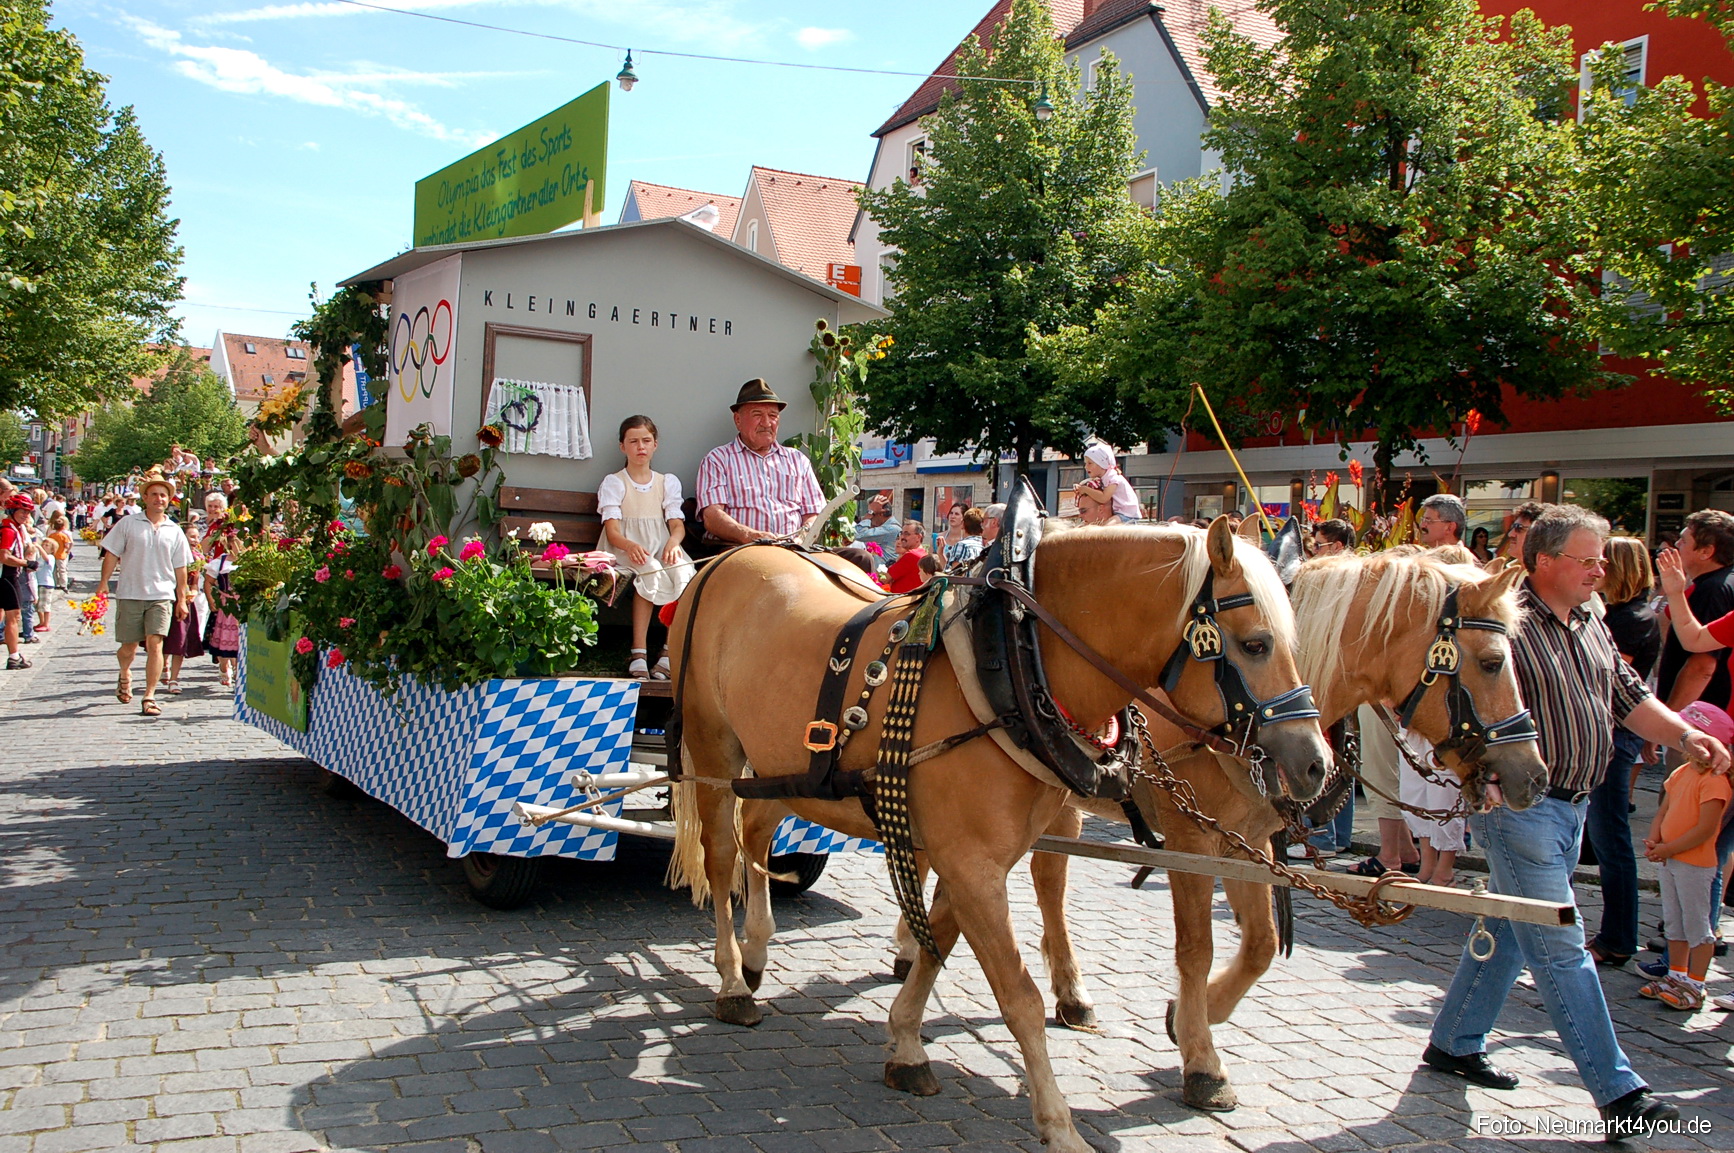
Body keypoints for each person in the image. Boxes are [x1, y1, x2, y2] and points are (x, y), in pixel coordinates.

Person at [1424, 504, 1729, 1137]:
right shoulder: (1502, 619)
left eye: (1601, 558)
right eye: (1586, 559)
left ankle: (1454, 1041)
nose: (1600, 569)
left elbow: (1626, 694)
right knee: (1560, 944)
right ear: (1542, 561)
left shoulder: (1589, 616)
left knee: (1512, 925)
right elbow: (1454, 705)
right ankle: (1620, 1095)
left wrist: (1683, 735)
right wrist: (1476, 774)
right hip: (1520, 808)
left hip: (1577, 804)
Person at [1584, 538, 1663, 967]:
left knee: (1611, 837)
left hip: (1616, 734)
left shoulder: (1633, 617)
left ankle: (1618, 936)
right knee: (1603, 835)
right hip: (1610, 733)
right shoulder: (1617, 614)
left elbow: (1610, 678)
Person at [1654, 546, 1734, 959]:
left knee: (1710, 847)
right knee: (1711, 849)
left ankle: (1689, 959)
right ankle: (1688, 960)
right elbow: (1694, 639)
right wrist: (1675, 590)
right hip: (1729, 747)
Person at [1638, 732, 1732, 1011]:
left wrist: (1667, 849)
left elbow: (1705, 831)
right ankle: (1676, 976)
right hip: (1671, 861)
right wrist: (1655, 840)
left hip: (1694, 864)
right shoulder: (1681, 772)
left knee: (1698, 927)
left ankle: (1695, 984)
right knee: (1674, 923)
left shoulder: (1716, 782)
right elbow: (1664, 810)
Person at [598, 415, 693, 680]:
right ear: (622, 446)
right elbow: (613, 530)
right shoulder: (616, 482)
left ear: (655, 445)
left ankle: (668, 651)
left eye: (646, 441)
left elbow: (676, 525)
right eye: (634, 441)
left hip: (660, 544)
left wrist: (674, 543)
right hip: (625, 547)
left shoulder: (666, 482)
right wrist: (629, 545)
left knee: (683, 572)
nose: (640, 446)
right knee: (649, 571)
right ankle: (638, 652)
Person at [99, 473, 194, 717]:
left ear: (169, 500)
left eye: (163, 495)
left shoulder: (174, 530)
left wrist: (181, 598)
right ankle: (124, 673)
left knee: (156, 644)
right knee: (128, 648)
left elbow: (181, 567)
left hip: (161, 595)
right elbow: (111, 554)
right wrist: (103, 584)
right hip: (130, 592)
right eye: (154, 494)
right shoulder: (128, 524)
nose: (159, 499)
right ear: (145, 498)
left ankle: (149, 696)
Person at [696, 379, 824, 545]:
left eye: (773, 416)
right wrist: (749, 535)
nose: (766, 423)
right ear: (738, 420)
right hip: (741, 548)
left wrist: (802, 538)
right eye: (757, 415)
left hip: (794, 549)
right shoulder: (718, 460)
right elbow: (712, 516)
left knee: (859, 557)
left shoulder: (797, 460)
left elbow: (814, 513)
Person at [1655, 509, 1734, 715]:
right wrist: (1674, 591)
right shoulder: (1720, 582)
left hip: (1701, 719)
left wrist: (1669, 720)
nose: (1676, 546)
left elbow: (1701, 666)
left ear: (1705, 552)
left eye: (1683, 541)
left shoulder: (1713, 588)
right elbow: (1694, 639)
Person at [201, 495, 242, 690]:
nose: (213, 509)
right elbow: (205, 547)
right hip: (219, 571)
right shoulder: (210, 526)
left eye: (217, 506)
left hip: (235, 582)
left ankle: (236, 671)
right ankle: (224, 668)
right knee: (221, 631)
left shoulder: (234, 526)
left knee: (236, 636)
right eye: (210, 506)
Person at [159, 522, 205, 694]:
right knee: (163, 638)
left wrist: (192, 593)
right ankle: (163, 665)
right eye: (191, 536)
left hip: (185, 601)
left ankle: (174, 678)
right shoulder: (168, 554)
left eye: (196, 536)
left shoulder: (197, 558)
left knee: (180, 640)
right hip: (166, 597)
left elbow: (194, 584)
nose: (195, 540)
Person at [1, 494, 35, 670]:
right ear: (12, 510)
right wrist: (27, 563)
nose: (25, 515)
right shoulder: (8, 530)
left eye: (28, 512)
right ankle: (14, 657)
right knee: (13, 617)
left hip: (7, 575)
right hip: (7, 576)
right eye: (22, 511)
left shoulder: (12, 528)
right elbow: (5, 556)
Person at [1072, 444, 1140, 524]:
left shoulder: (1113, 478)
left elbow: (1104, 498)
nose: (1086, 467)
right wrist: (1080, 487)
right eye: (1085, 463)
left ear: (1102, 464)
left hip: (1127, 515)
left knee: (1107, 528)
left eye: (1090, 463)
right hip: (1119, 512)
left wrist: (1085, 489)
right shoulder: (1104, 478)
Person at [885, 520, 928, 594]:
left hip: (899, 601)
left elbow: (884, 579)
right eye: (901, 533)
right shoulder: (922, 553)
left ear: (918, 537)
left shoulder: (911, 555)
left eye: (906, 534)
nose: (902, 537)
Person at [46, 514, 71, 591]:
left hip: (53, 555)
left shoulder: (51, 535)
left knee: (54, 571)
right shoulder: (64, 536)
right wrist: (68, 550)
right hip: (61, 555)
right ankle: (63, 585)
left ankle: (55, 583)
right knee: (62, 570)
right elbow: (67, 545)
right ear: (63, 526)